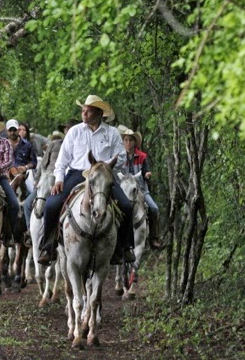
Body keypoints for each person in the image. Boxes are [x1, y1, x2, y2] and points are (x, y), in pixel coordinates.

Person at [37, 95, 135, 266]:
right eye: (83, 111)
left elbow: (121, 158)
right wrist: (59, 179)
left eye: (88, 111)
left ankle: (124, 247)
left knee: (126, 205)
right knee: (51, 205)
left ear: (99, 113)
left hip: (103, 175)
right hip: (76, 173)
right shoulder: (75, 131)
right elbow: (62, 159)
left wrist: (104, 165)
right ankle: (48, 246)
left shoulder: (111, 133)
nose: (84, 114)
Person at [22, 120, 76, 229]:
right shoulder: (54, 144)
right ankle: (29, 231)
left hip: (67, 180)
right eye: (66, 129)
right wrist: (37, 181)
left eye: (71, 129)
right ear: (64, 131)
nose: (68, 131)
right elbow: (43, 164)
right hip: (47, 179)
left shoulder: (79, 147)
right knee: (28, 204)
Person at [121, 127, 162, 249]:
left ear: (135, 142)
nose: (128, 143)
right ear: (123, 142)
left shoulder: (142, 157)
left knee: (154, 208)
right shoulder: (119, 157)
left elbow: (146, 171)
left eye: (131, 140)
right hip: (124, 191)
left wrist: (147, 175)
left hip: (141, 190)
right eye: (126, 140)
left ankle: (153, 238)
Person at [6, 118, 37, 195]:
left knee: (33, 194)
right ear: (7, 131)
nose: (12, 133)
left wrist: (25, 167)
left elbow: (34, 162)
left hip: (24, 177)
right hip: (6, 177)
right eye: (10, 130)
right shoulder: (2, 145)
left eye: (14, 130)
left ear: (18, 130)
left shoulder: (27, 145)